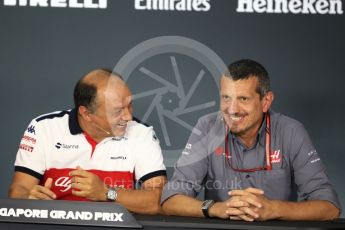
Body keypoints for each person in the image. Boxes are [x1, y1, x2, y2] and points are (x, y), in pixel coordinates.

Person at [161, 59, 341, 221]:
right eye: (226, 98)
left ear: (266, 101)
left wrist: (273, 208)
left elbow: (329, 207)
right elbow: (170, 200)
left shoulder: (291, 132)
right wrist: (217, 208)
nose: (232, 110)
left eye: (243, 99)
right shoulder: (207, 127)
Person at [8, 69, 167, 215]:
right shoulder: (43, 128)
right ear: (86, 113)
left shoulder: (142, 133)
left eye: (130, 105)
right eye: (118, 111)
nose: (128, 117)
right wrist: (29, 198)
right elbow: (18, 190)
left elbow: (155, 201)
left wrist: (106, 192)